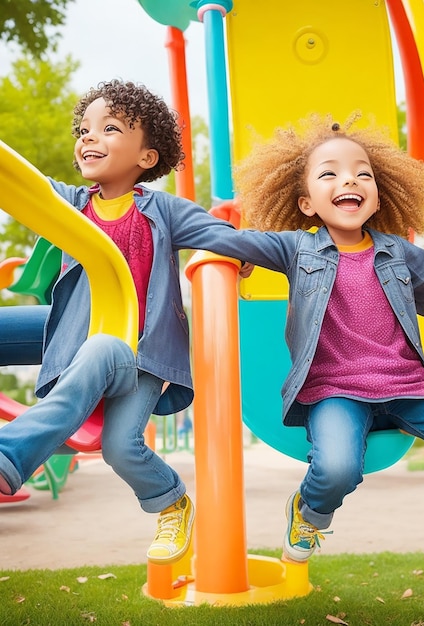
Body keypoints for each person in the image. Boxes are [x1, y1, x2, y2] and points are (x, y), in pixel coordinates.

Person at [194, 113, 424, 563]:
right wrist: (212, 230)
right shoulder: (297, 248)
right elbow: (227, 238)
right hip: (335, 391)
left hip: (406, 385)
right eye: (329, 173)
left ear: (377, 197)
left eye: (362, 173)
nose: (348, 180)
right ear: (308, 203)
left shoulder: (401, 254)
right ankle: (310, 513)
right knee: (337, 468)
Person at [0, 79, 251, 564]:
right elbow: (20, 184)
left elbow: (222, 235)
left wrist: (242, 255)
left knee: (120, 447)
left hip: (135, 352)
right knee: (71, 354)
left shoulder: (163, 211)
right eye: (85, 129)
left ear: (147, 157)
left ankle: (169, 500)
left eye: (109, 128)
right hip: (74, 328)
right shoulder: (70, 203)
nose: (90, 137)